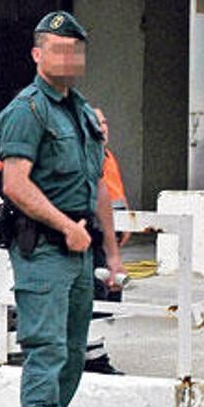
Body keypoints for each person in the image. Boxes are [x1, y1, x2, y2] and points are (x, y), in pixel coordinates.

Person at [0, 10, 125, 407]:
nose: (68, 57)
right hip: (44, 249)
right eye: (57, 48)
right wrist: (66, 227)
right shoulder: (27, 111)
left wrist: (111, 255)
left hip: (78, 251)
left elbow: (97, 188)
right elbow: (15, 184)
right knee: (46, 351)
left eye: (75, 49)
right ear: (37, 54)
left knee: (73, 354)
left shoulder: (83, 113)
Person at [84, 107, 129, 375]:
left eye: (105, 121)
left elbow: (116, 197)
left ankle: (95, 352)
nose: (103, 127)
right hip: (92, 240)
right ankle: (93, 357)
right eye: (97, 122)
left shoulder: (107, 156)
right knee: (96, 295)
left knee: (110, 295)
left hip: (108, 241)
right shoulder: (87, 157)